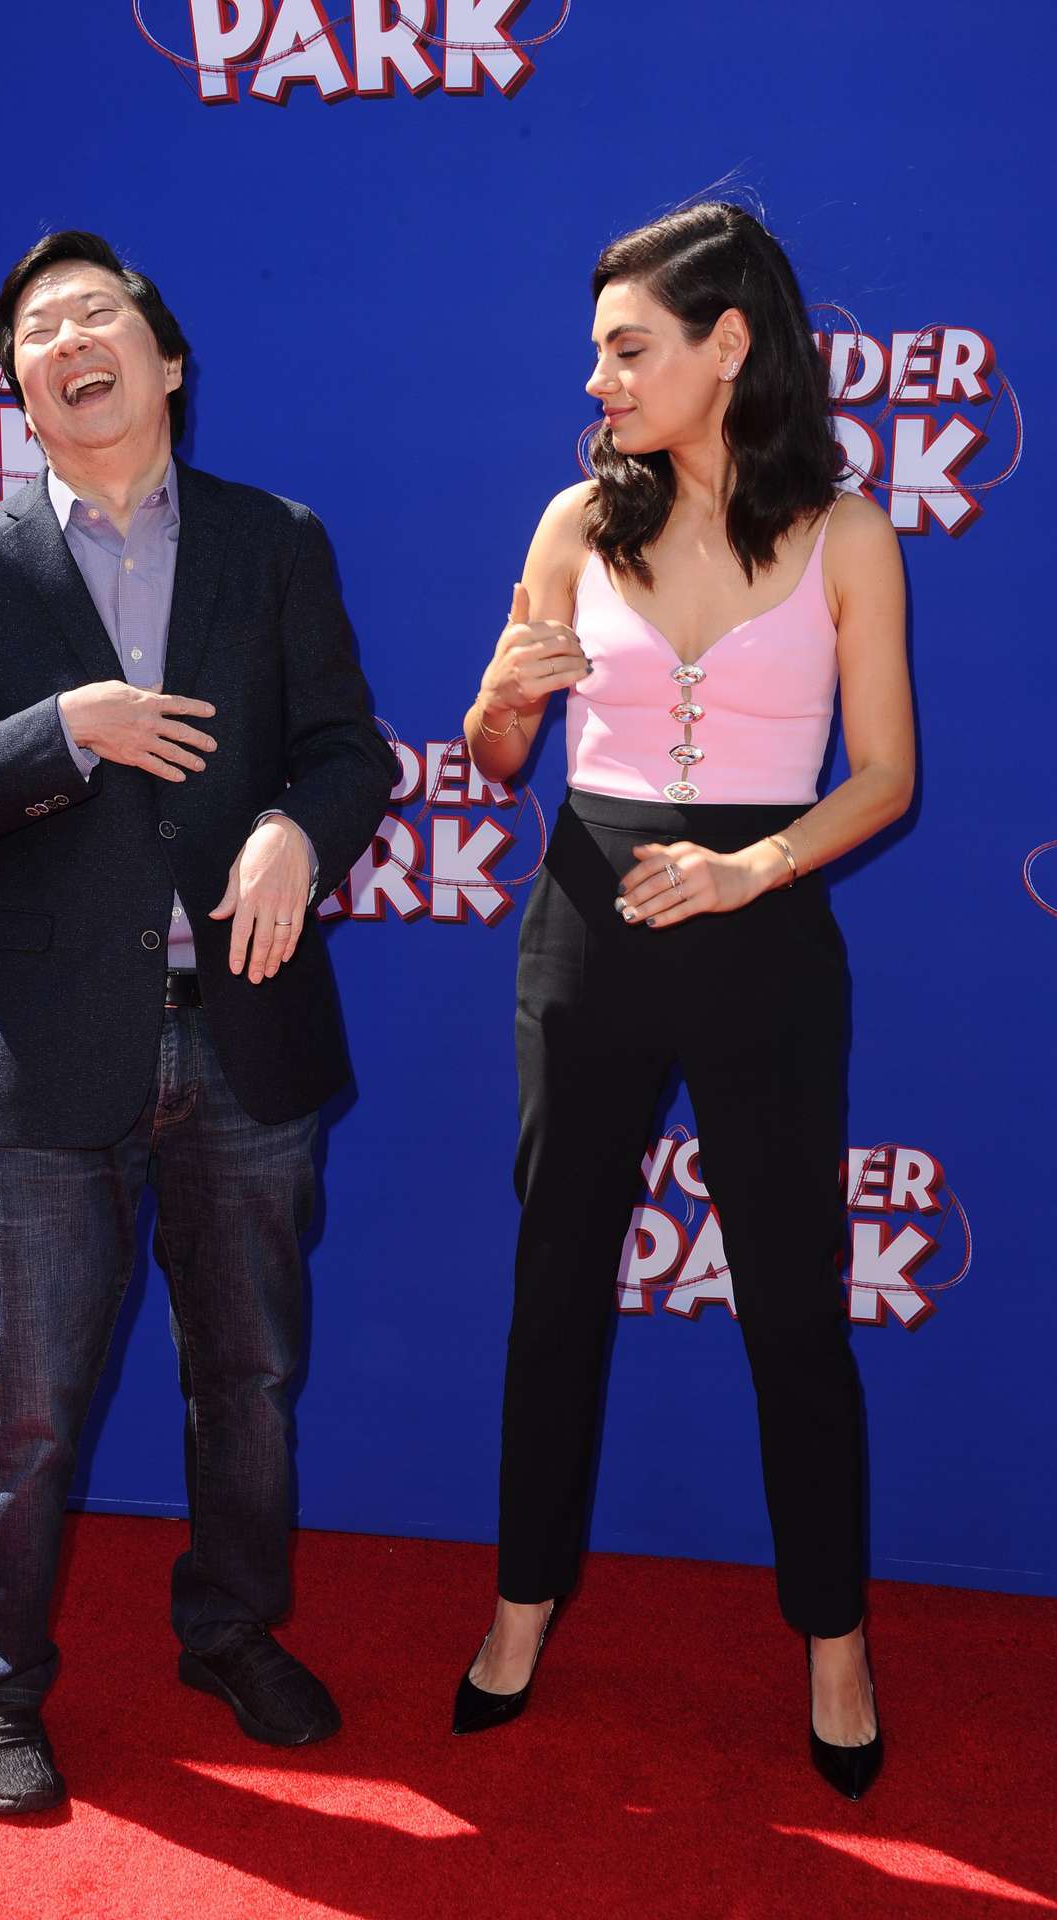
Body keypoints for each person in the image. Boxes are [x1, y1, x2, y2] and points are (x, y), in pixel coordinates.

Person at [0, 230, 395, 1815]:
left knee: (249, 1381)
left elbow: (348, 752)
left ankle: (230, 1633)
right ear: (18, 394)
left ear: (165, 363)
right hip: (51, 1048)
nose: (68, 341)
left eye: (97, 315)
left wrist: (300, 832)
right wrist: (60, 731)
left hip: (246, 1033)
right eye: (37, 332)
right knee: (32, 1405)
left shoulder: (272, 539)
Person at [453, 202, 913, 1801]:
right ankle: (519, 1610)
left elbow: (885, 776)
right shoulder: (575, 523)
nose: (598, 378)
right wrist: (499, 704)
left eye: (626, 348)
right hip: (584, 925)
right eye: (597, 351)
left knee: (791, 1303)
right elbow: (496, 755)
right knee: (553, 1287)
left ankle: (834, 1641)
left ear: (727, 346)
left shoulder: (846, 535)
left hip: (763, 939)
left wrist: (750, 869)